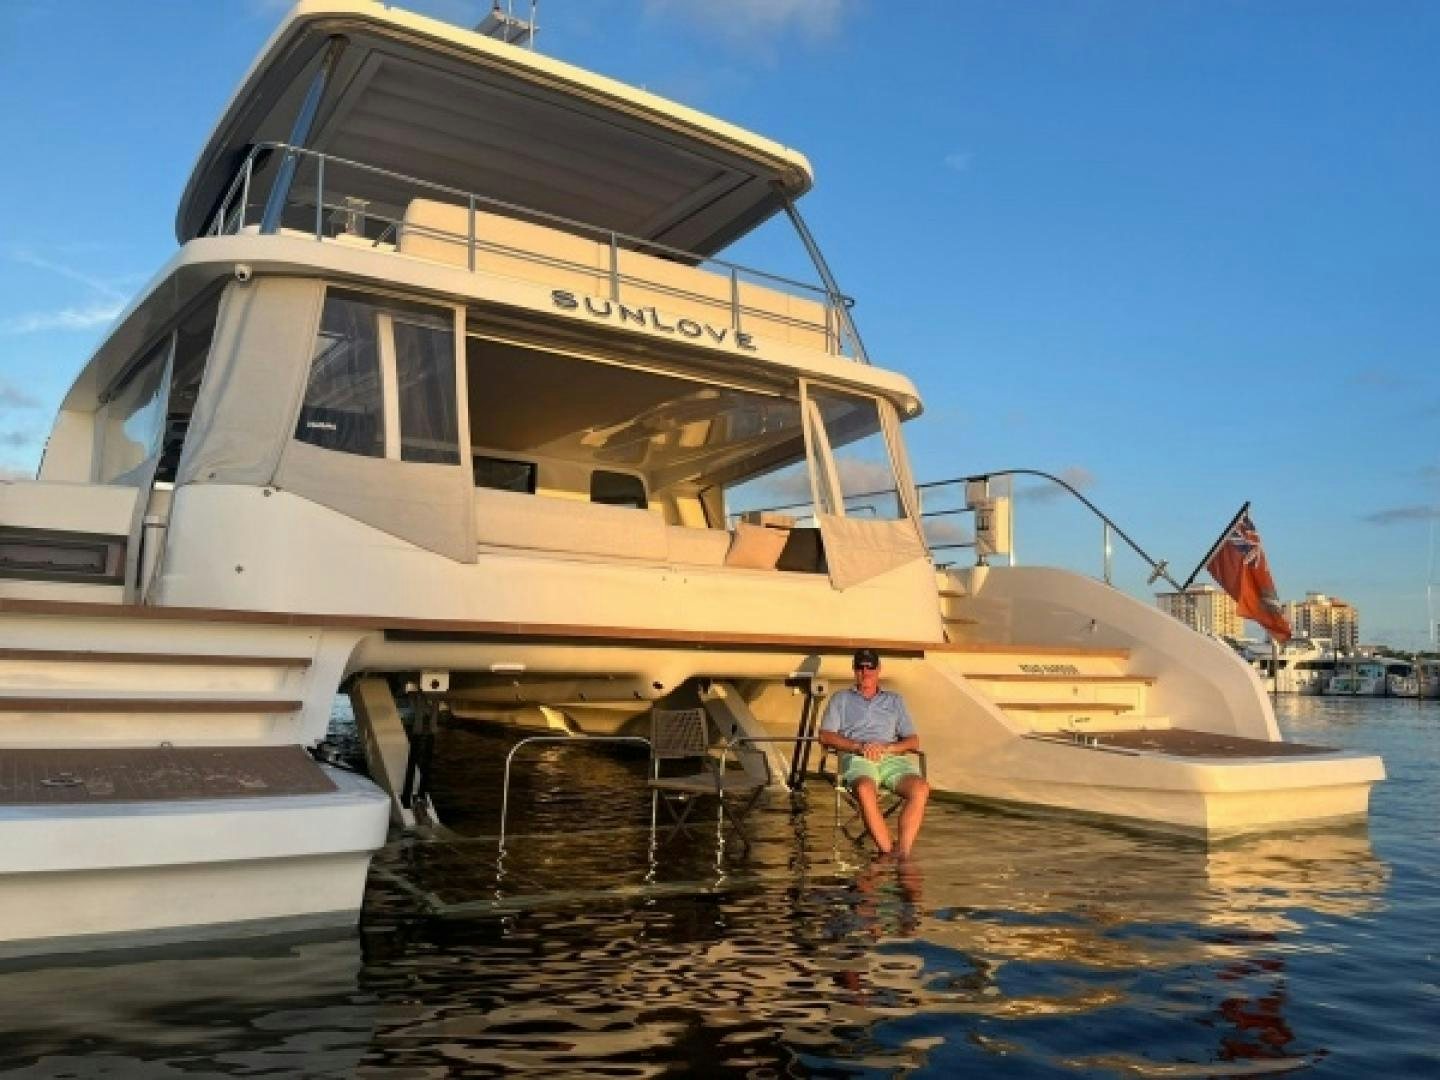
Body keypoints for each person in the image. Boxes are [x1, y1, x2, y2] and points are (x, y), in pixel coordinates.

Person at [818, 648, 929, 856]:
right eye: (860, 667)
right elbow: (825, 735)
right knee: (865, 789)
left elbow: (913, 740)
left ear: (878, 670)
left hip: (890, 757)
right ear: (854, 670)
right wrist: (858, 747)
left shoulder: (895, 700)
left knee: (921, 788)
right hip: (858, 756)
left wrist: (888, 748)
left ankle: (903, 854)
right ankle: (888, 853)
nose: (865, 671)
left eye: (870, 667)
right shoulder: (840, 699)